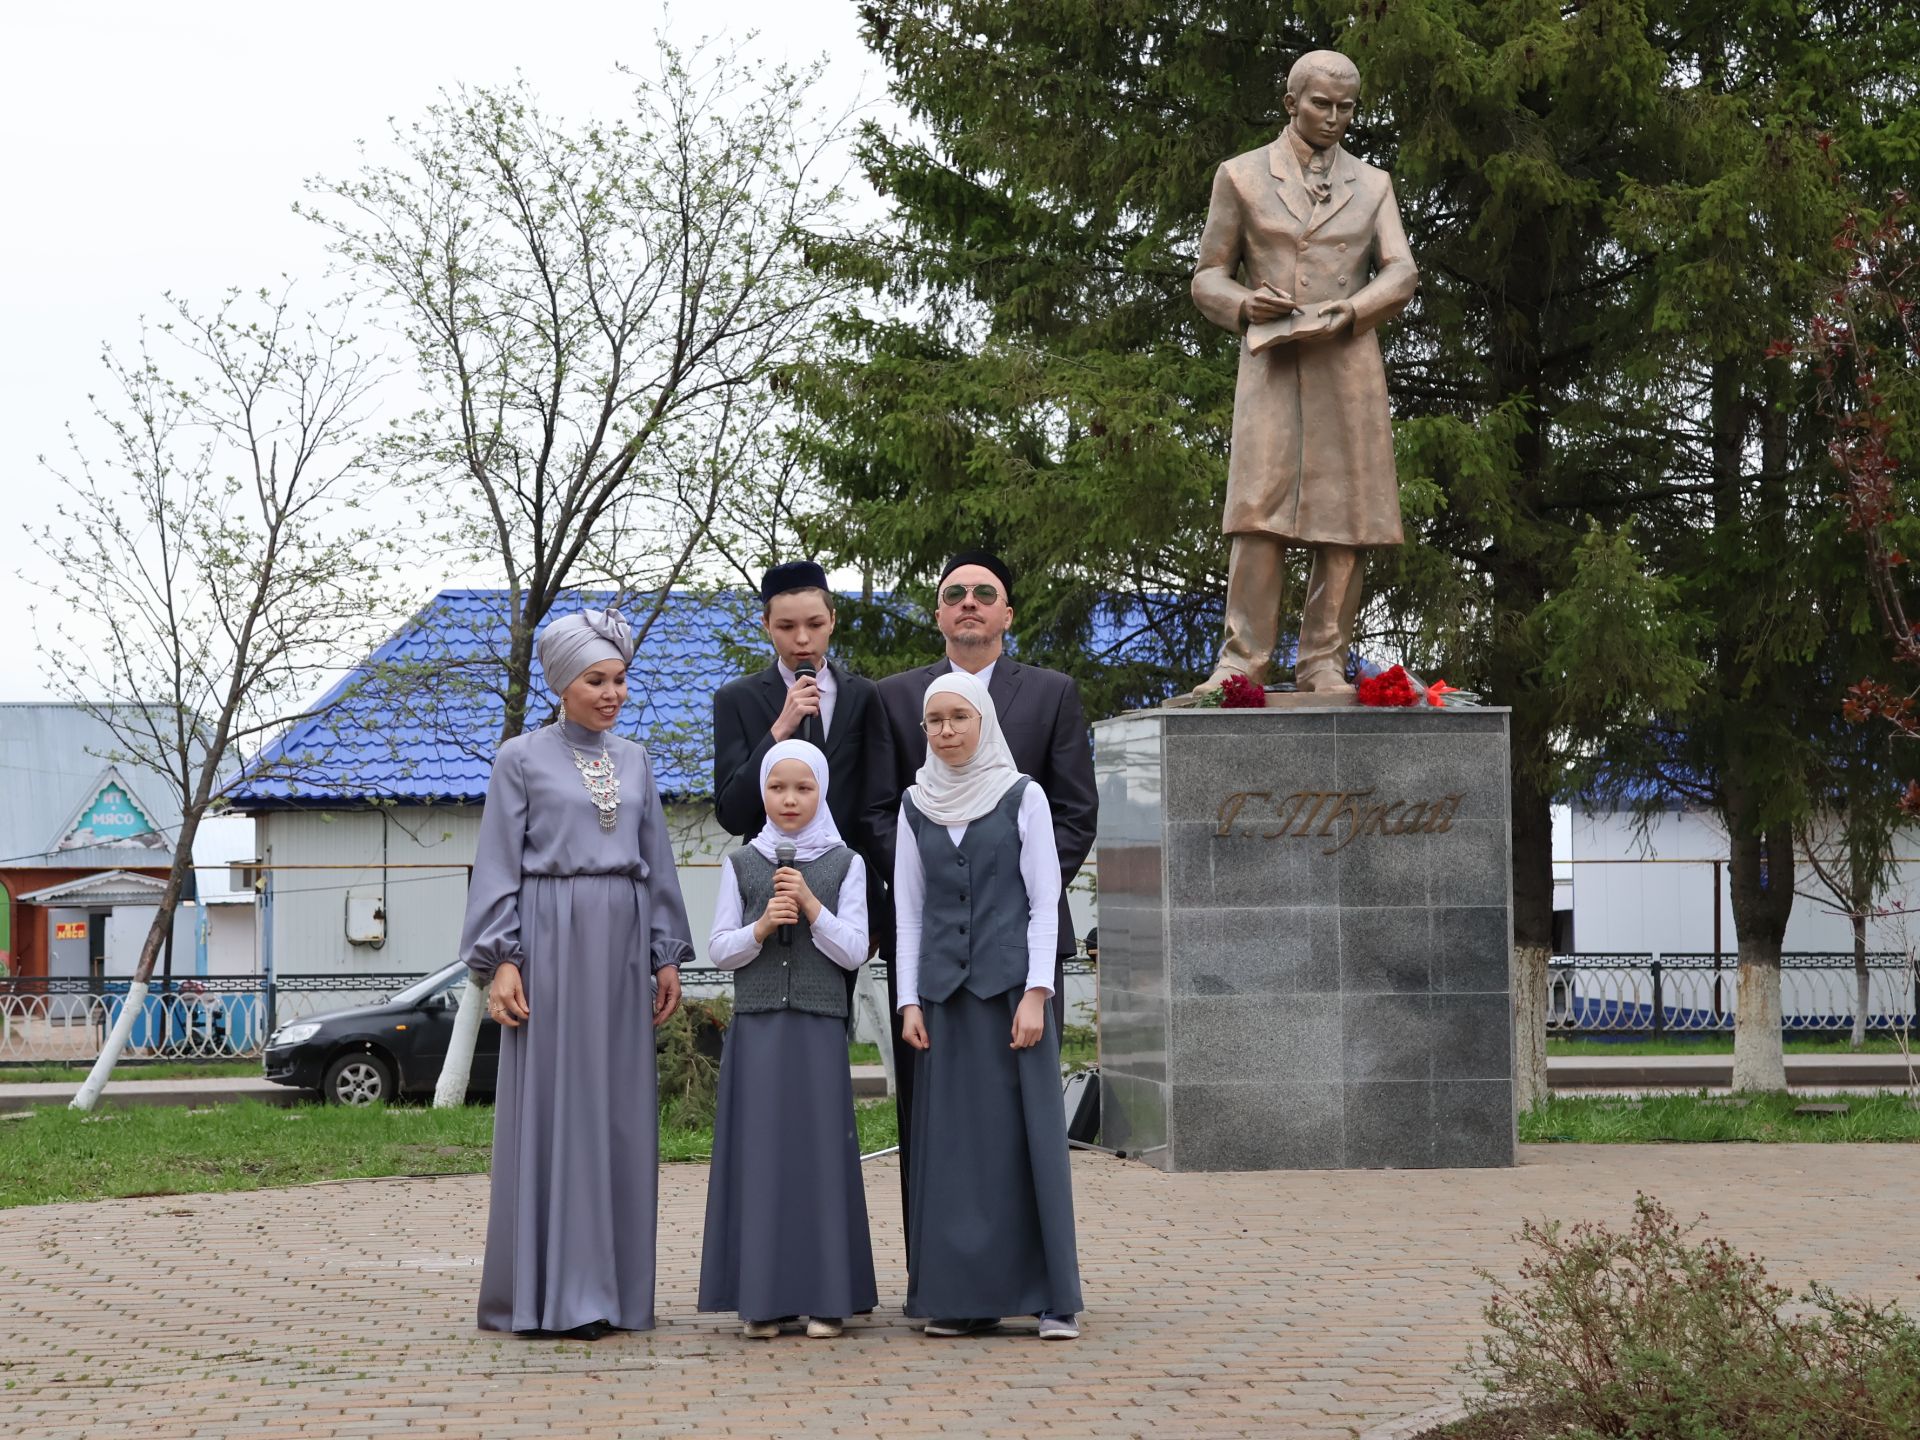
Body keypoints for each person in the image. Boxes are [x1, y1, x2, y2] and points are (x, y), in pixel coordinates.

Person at [459, 607, 694, 1338]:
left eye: (621, 679)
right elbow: (497, 864)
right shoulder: (519, 759)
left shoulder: (636, 760)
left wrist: (664, 952)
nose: (613, 692)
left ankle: (614, 1294)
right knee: (557, 1111)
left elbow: (654, 859)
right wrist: (502, 959)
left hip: (621, 942)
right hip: (549, 941)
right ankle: (551, 1296)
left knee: (618, 1114)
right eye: (598, 680)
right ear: (564, 682)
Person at [869, 549, 1097, 1234]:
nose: (969, 602)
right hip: (930, 939)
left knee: (1021, 1105)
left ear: (1007, 613)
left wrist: (1006, 887)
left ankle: (1031, 1263)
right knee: (935, 1111)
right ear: (938, 612)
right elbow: (880, 809)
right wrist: (946, 880)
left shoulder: (1051, 693)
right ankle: (937, 1268)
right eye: (955, 593)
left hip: (1021, 935)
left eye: (984, 593)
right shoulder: (897, 698)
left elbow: (1075, 811)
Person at [1190, 48, 1418, 693]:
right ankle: (1241, 665)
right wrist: (1243, 304)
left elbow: (1400, 270)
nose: (1335, 118)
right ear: (1292, 103)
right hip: (1272, 359)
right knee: (1259, 511)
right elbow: (1208, 276)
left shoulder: (1373, 184)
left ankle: (1323, 662)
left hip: (1347, 361)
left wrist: (1352, 309)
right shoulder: (1240, 177)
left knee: (1345, 514)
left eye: (1347, 108)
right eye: (1322, 104)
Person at [894, 671, 1082, 1340]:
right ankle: (961, 1299)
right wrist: (909, 1000)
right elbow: (908, 912)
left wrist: (1037, 993)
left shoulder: (1021, 796)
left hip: (1009, 995)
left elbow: (1042, 900)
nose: (945, 730)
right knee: (955, 1151)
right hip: (944, 1001)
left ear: (983, 722)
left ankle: (1051, 1296)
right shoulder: (915, 804)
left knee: (1025, 1141)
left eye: (957, 717)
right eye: (934, 720)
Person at [699, 739, 877, 1339]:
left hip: (819, 1029)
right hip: (757, 1032)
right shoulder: (742, 863)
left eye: (803, 788)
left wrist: (810, 906)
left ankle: (827, 1298)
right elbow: (720, 950)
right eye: (778, 788)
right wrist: (760, 927)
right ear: (763, 794)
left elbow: (855, 949)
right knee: (763, 1159)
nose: (790, 799)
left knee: (820, 1157)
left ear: (821, 791)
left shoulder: (847, 863)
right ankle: (764, 1300)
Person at [712, 561, 892, 1002]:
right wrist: (780, 727)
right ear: (766, 626)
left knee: (832, 1027)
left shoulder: (864, 696)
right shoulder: (737, 698)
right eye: (786, 626)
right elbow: (733, 813)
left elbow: (877, 804)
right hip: (768, 898)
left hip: (845, 894)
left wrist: (878, 909)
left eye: (814, 624)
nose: (802, 640)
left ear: (832, 620)